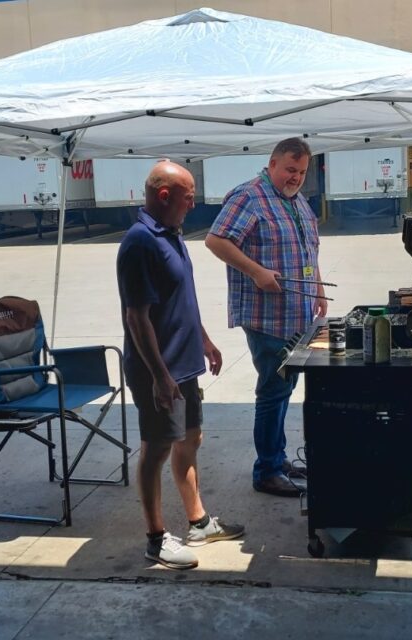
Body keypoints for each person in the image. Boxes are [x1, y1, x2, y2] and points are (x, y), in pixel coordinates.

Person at [117, 160, 244, 570]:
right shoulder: (140, 243)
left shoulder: (170, 234)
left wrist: (204, 340)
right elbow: (136, 317)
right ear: (165, 195)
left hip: (184, 365)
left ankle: (198, 522)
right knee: (156, 449)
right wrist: (159, 376)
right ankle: (155, 538)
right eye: (189, 197)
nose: (193, 205)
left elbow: (179, 300)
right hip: (160, 371)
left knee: (192, 439)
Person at [205, 138, 327, 498]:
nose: (296, 178)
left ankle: (277, 457)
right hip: (266, 316)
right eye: (290, 169)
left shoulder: (297, 201)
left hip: (298, 313)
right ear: (272, 164)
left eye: (302, 172)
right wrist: (257, 271)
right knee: (273, 391)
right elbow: (216, 241)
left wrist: (317, 288)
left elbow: (309, 249)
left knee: (285, 387)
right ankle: (267, 471)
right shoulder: (249, 196)